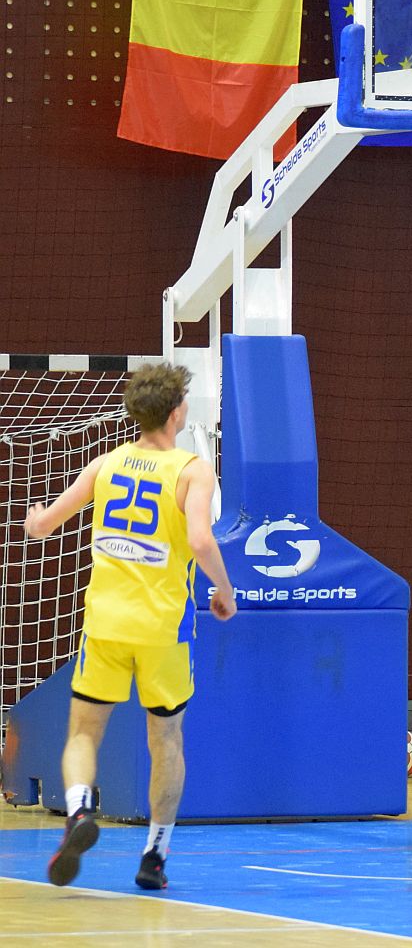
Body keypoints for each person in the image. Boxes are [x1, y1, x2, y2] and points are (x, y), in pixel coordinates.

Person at [24, 363, 237, 890]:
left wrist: (34, 518)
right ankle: (154, 858)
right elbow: (201, 541)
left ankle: (79, 810)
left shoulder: (106, 463)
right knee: (165, 739)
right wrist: (225, 591)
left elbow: (45, 525)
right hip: (164, 629)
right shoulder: (192, 471)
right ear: (176, 412)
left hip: (106, 624)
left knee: (83, 732)